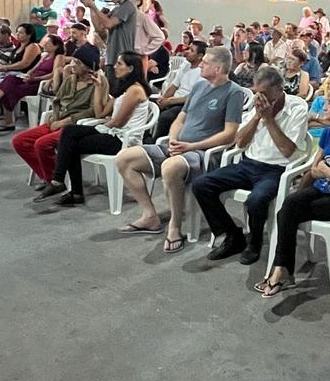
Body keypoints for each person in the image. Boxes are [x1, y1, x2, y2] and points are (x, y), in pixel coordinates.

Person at [115, 47, 244, 246]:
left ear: (218, 69)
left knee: (170, 167)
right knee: (124, 158)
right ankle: (150, 216)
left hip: (203, 154)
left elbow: (230, 134)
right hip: (179, 148)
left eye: (206, 62)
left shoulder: (233, 92)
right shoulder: (199, 86)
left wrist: (192, 145)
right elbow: (179, 120)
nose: (200, 64)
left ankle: (174, 226)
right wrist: (174, 140)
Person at [256, 87, 330, 296]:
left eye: (329, 103)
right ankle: (282, 271)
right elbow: (314, 170)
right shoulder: (328, 132)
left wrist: (327, 169)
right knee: (287, 207)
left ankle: (281, 272)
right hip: (322, 190)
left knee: (288, 214)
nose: (323, 107)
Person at [192, 67, 310, 263]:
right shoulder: (256, 107)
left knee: (256, 200)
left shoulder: (297, 108)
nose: (259, 97)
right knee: (201, 185)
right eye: (256, 92)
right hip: (248, 164)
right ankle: (232, 235)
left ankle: (255, 243)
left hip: (276, 169)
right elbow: (240, 142)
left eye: (264, 92)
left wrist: (269, 119)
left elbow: (287, 150)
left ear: (280, 89)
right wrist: (257, 117)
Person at [35, 51, 152, 207]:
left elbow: (118, 122)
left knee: (71, 144)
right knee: (69, 131)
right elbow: (100, 113)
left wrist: (100, 125)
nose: (114, 67)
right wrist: (98, 87)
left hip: (123, 139)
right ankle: (60, 182)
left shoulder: (135, 90)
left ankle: (69, 188)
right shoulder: (124, 87)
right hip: (113, 132)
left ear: (130, 68)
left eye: (119, 64)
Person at [15, 45, 102, 182]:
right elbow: (57, 101)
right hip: (58, 121)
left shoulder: (97, 84)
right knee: (20, 141)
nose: (72, 65)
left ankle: (54, 179)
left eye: (77, 63)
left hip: (75, 126)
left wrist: (64, 121)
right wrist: (55, 117)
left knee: (42, 144)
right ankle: (49, 176)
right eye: (72, 60)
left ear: (88, 67)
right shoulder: (70, 80)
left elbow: (93, 111)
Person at [0, 34, 64, 131]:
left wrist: (35, 79)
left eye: (48, 44)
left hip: (39, 83)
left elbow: (53, 74)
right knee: (9, 79)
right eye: (45, 43)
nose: (45, 45)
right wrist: (28, 75)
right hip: (31, 79)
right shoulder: (44, 56)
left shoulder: (59, 57)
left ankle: (9, 122)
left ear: (56, 46)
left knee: (11, 91)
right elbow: (33, 69)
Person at [81, 0, 136, 90]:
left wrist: (94, 6)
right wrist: (91, 7)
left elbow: (109, 24)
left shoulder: (128, 7)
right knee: (110, 93)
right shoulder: (117, 9)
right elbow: (99, 28)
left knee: (117, 94)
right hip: (112, 58)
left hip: (122, 59)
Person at [153, 40, 205, 139]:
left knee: (166, 117)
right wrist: (163, 98)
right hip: (173, 99)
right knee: (149, 105)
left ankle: (157, 141)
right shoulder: (186, 65)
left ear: (200, 56)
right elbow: (174, 86)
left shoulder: (202, 72)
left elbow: (192, 97)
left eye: (191, 50)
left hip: (186, 103)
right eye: (188, 48)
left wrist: (169, 101)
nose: (187, 51)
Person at [127, 0, 166, 73]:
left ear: (138, 1)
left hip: (138, 58)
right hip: (125, 57)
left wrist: (144, 50)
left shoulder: (143, 17)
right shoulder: (124, 18)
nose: (127, 0)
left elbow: (160, 36)